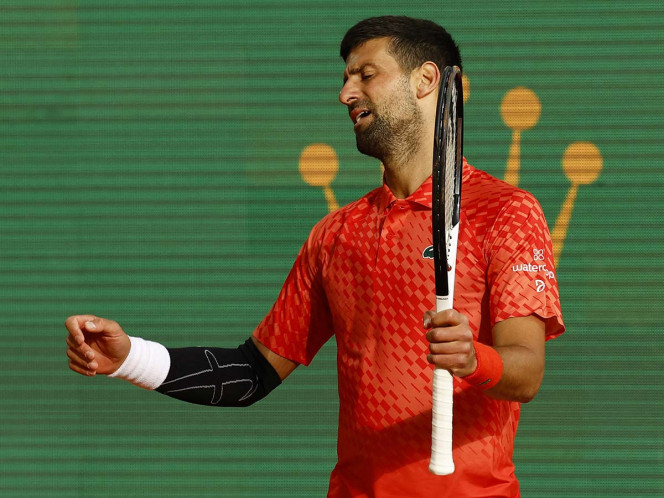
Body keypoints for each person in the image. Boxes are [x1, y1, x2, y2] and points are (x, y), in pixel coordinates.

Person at [66, 16, 564, 497]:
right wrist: (130, 358)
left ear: (426, 80)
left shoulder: (506, 212)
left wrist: (474, 359)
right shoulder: (334, 235)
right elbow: (251, 374)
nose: (346, 93)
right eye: (345, 79)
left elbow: (526, 372)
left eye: (366, 74)